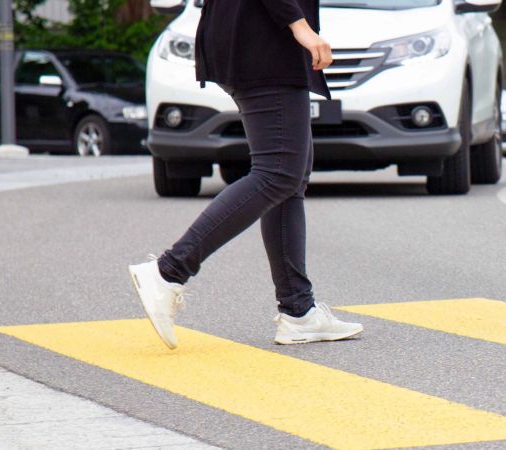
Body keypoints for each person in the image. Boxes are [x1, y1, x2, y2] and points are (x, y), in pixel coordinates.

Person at [128, 0, 363, 349]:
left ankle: (298, 312)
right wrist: (299, 26)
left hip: (253, 39)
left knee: (289, 178)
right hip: (265, 42)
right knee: (278, 173)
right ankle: (169, 271)